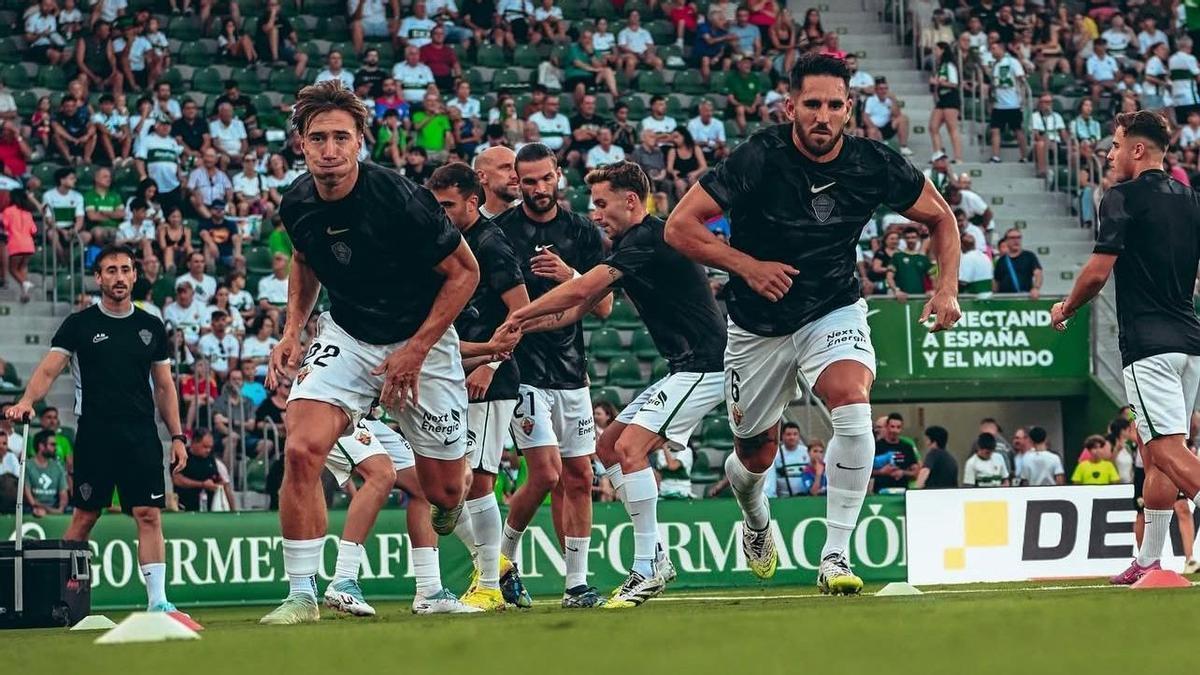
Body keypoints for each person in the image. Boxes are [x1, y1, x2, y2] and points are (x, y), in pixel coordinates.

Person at [664, 54, 961, 595]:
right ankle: (756, 519)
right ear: (790, 107)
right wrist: (747, 267)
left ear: (849, 108)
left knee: (853, 405)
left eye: (833, 105)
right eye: (812, 104)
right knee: (754, 455)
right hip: (756, 327)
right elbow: (679, 228)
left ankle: (835, 557)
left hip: (832, 306)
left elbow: (941, 216)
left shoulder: (874, 163)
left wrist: (946, 288)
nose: (823, 116)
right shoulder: (759, 156)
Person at [259, 81, 479, 625]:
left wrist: (417, 351)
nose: (329, 150)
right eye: (318, 139)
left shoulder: (401, 198)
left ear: (360, 140)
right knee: (302, 448)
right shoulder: (296, 202)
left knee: (443, 489)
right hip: (349, 335)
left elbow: (464, 273)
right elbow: (306, 263)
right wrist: (293, 330)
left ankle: (455, 495)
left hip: (422, 338)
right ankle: (302, 594)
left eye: (341, 137)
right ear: (302, 145)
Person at [502, 161, 724, 607]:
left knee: (628, 450)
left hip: (707, 366)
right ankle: (654, 555)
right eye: (591, 203)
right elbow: (574, 312)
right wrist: (514, 333)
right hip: (683, 367)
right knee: (609, 448)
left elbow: (583, 293)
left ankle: (647, 566)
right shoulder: (632, 243)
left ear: (630, 200)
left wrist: (519, 314)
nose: (594, 211)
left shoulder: (646, 239)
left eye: (601, 203)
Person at [1050, 110, 1200, 585]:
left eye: (1115, 146)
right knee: (1152, 454)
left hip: (1148, 345)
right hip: (1189, 343)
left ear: (1138, 150)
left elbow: (1097, 273)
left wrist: (1065, 308)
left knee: (1168, 449)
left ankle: (1151, 560)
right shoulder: (1191, 199)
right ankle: (1150, 560)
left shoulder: (1120, 196)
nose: (1110, 154)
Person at [5, 244, 188, 613]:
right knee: (85, 517)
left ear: (135, 275)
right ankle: (59, 602)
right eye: (111, 271)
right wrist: (27, 401)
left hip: (141, 436)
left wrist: (179, 436)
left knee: (148, 515)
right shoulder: (79, 324)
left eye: (125, 269)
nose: (119, 277)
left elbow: (165, 386)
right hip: (95, 435)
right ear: (98, 278)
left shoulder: (151, 326)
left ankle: (159, 603)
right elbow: (48, 370)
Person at [492, 143, 612, 609]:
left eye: (546, 179)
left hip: (571, 371)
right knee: (545, 473)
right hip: (521, 370)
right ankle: (503, 559)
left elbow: (602, 306)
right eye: (529, 181)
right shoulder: (500, 232)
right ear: (516, 182)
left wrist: (569, 274)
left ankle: (576, 585)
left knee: (579, 476)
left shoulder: (581, 231)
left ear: (559, 175)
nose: (539, 188)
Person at [426, 162, 529, 611]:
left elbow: (521, 311)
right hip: (452, 369)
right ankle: (496, 569)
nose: (441, 213)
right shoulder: (446, 243)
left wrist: (490, 363)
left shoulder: (491, 243)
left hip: (488, 380)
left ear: (473, 201)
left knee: (479, 482)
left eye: (448, 205)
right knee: (446, 484)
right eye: (436, 205)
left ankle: (488, 584)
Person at [324, 416, 480, 615]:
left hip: (365, 415)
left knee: (425, 486)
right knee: (382, 474)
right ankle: (342, 580)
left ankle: (430, 592)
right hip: (334, 406)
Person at [172, 428, 236, 512]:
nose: (208, 450)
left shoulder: (210, 459)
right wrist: (202, 484)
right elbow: (177, 480)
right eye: (205, 446)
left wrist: (232, 509)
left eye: (210, 447)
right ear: (194, 442)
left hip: (208, 508)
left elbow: (219, 480)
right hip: (185, 507)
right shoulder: (182, 456)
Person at [24, 430, 69, 516]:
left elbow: (64, 496)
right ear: (41, 446)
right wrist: (42, 508)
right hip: (31, 509)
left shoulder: (58, 467)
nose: (55, 447)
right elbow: (28, 497)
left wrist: (56, 509)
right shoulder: (27, 466)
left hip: (54, 509)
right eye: (52, 445)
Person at [473, 145, 520, 219]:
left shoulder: (536, 217)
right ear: (482, 176)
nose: (515, 175)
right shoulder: (469, 225)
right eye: (505, 168)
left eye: (516, 168)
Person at [993, 228, 1042, 296]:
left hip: (1024, 299)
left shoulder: (1029, 256)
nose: (1016, 240)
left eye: (1018, 237)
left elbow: (1038, 274)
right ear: (1006, 241)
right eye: (1012, 238)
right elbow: (996, 282)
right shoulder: (1001, 261)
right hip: (1005, 301)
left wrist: (1036, 288)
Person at [770, 422, 811, 497]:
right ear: (782, 436)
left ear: (799, 436)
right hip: (783, 499)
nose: (792, 437)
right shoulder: (776, 454)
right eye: (788, 434)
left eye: (795, 434)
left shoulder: (807, 452)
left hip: (805, 497)